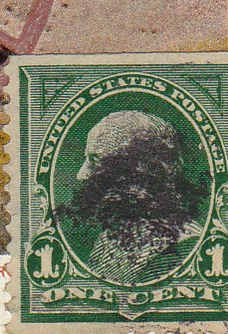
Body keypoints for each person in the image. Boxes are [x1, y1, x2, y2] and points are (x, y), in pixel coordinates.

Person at [58, 109, 208, 286]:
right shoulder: (111, 237)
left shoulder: (179, 248)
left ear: (143, 171)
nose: (81, 175)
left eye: (96, 161)